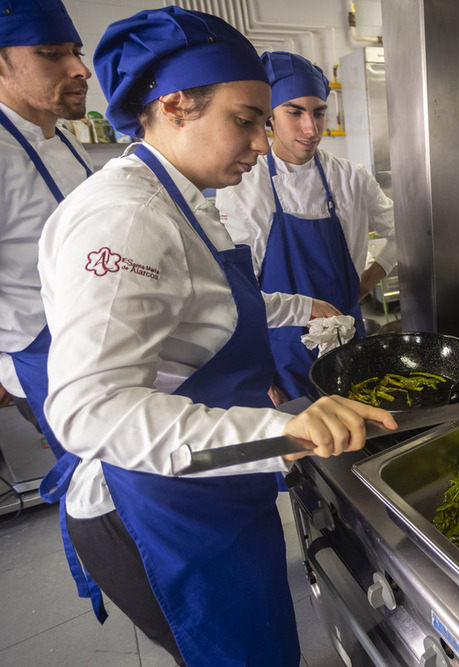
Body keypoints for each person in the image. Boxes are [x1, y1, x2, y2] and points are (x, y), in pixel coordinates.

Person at [37, 7, 396, 666]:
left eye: (264, 122)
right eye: (245, 120)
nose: (262, 143)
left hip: (213, 487)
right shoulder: (125, 217)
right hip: (158, 509)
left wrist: (298, 305)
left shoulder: (180, 198)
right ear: (175, 105)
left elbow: (210, 301)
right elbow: (88, 411)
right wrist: (278, 432)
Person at [216, 50, 396, 401]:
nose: (310, 129)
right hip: (281, 355)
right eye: (294, 112)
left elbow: (404, 231)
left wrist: (372, 277)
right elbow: (236, 292)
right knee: (307, 451)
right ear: (270, 115)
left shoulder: (351, 179)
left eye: (318, 112)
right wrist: (261, 375)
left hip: (348, 342)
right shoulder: (244, 185)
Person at [0, 0, 91, 441]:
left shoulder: (68, 142)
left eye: (76, 51)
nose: (79, 69)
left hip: (100, 343)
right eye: (51, 54)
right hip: (44, 359)